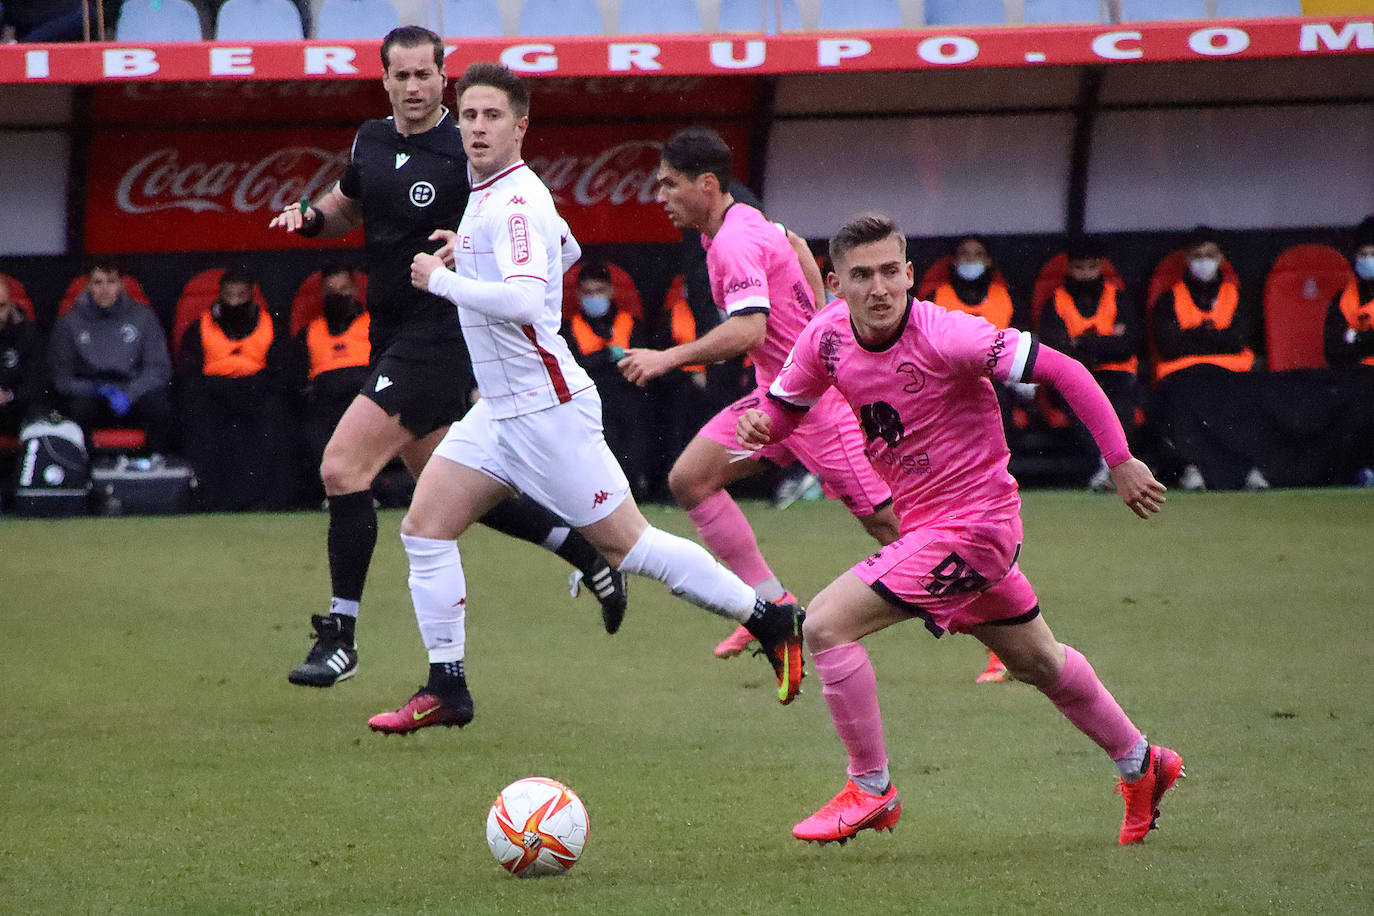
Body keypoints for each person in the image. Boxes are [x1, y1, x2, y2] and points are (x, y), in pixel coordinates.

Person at [382, 62, 804, 734]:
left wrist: (441, 280)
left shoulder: (515, 200)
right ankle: (447, 687)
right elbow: (567, 248)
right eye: (468, 115)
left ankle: (771, 618)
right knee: (424, 529)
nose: (478, 127)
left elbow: (523, 299)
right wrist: (473, 254)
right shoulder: (493, 196)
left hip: (546, 410)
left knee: (631, 546)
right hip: (498, 409)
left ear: (521, 126)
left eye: (493, 116)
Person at [735, 212, 1182, 847]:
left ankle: (870, 788)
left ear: (910, 274)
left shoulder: (950, 335)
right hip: (928, 530)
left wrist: (1120, 461)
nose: (880, 288)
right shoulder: (826, 338)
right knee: (1038, 662)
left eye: (892, 271)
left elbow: (1066, 372)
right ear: (835, 284)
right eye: (862, 276)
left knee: (827, 624)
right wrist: (763, 426)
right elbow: (785, 408)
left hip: (978, 529)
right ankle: (1143, 764)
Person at [267, 26, 626, 689]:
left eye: (423, 76)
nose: (412, 88)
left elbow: (549, 236)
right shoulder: (370, 140)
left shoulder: (465, 147)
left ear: (444, 79)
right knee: (456, 485)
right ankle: (585, 549)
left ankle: (341, 636)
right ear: (384, 82)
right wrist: (309, 217)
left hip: (443, 336)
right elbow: (346, 204)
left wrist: (468, 253)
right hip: (391, 332)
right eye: (399, 77)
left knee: (343, 467)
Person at [617, 126, 899, 662]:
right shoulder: (744, 222)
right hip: (779, 401)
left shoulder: (732, 241)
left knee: (893, 531)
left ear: (705, 184)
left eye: (669, 185)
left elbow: (747, 330)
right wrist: (818, 316)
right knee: (691, 480)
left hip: (817, 408)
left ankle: (1002, 629)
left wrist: (666, 357)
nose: (661, 197)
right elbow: (795, 247)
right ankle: (775, 608)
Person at [1150, 227, 1267, 491]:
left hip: (1231, 374)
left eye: (1210, 255)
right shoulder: (1169, 299)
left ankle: (1248, 469)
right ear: (1187, 259)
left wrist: (1193, 335)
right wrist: (1214, 334)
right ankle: (1192, 469)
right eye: (1197, 255)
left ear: (1222, 258)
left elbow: (1238, 338)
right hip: (1185, 376)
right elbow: (1169, 345)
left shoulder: (1237, 295)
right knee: (1181, 398)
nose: (1204, 261)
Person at [176, 268, 295, 511]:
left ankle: (267, 500)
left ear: (252, 296)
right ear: (219, 295)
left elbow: (284, 372)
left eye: (241, 296)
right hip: (213, 396)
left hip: (257, 393)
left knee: (277, 412)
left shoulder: (272, 325)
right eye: (229, 296)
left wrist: (252, 385)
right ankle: (209, 499)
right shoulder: (199, 328)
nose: (235, 302)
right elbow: (187, 372)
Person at [1037, 237, 1147, 492]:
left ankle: (1109, 468)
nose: (1085, 274)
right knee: (1084, 406)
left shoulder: (1119, 298)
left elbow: (1128, 345)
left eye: (1091, 268)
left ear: (1100, 268)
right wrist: (1105, 340)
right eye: (1079, 268)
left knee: (1121, 406)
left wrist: (1082, 342)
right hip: (1072, 377)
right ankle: (1108, 466)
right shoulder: (1054, 301)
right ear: (1069, 268)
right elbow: (1057, 350)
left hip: (1117, 376)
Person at [47, 261, 173, 455]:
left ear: (121, 284)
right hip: (92, 394)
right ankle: (86, 476)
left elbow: (158, 369)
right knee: (75, 410)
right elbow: (61, 378)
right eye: (98, 282)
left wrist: (130, 393)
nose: (104, 289)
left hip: (132, 392)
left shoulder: (143, 316)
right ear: (88, 285)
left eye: (111, 281)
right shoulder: (70, 322)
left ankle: (155, 471)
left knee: (160, 407)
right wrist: (96, 389)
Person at [563, 260, 651, 498]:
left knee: (633, 445)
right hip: (592, 398)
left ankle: (636, 492)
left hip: (627, 396)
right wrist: (607, 356)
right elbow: (573, 364)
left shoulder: (630, 322)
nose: (593, 297)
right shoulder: (568, 327)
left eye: (599, 291)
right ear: (579, 294)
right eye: (588, 292)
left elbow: (643, 359)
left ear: (611, 291)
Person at [293, 265, 373, 504]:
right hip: (325, 403)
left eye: (344, 289)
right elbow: (296, 377)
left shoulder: (374, 324)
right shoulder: (310, 332)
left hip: (365, 398)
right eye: (332, 291)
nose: (338, 296)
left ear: (355, 290)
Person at [1323, 215, 1374, 484]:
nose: (1367, 259)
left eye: (1373, 253)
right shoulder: (1345, 296)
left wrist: (1356, 338)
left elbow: (1349, 343)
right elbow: (1332, 349)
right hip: (1356, 375)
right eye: (1363, 254)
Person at [0, 277, 43, 438]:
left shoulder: (27, 334)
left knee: (36, 411)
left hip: (15, 409)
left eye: (1, 306)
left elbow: (36, 382)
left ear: (11, 304)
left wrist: (8, 395)